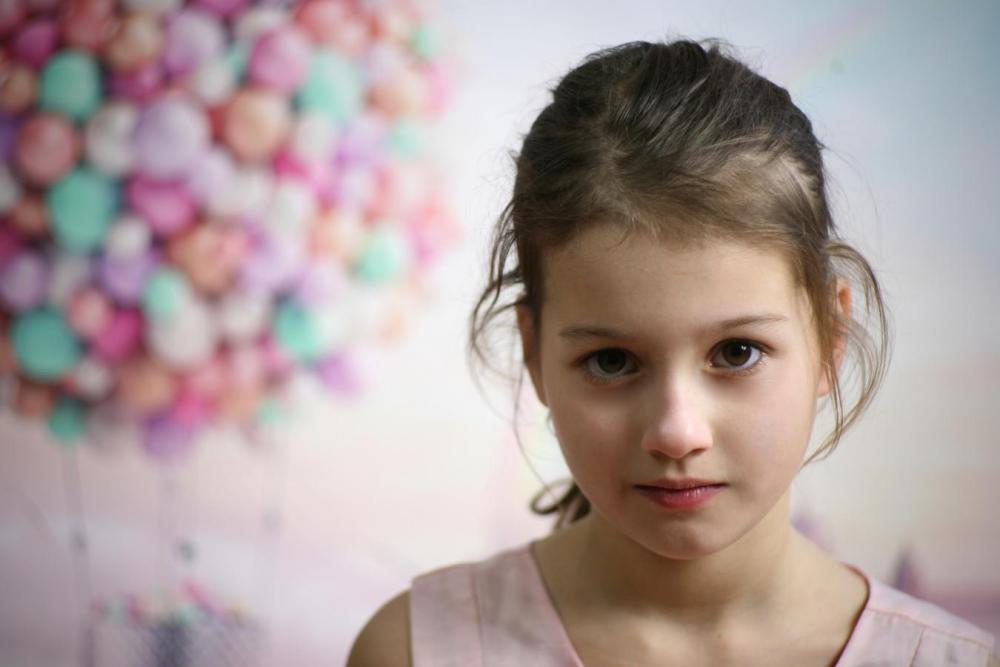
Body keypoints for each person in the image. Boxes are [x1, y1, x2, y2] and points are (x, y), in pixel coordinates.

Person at [348, 38, 997, 666]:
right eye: (611, 361)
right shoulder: (413, 652)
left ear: (829, 338)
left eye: (737, 352)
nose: (676, 432)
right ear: (533, 353)